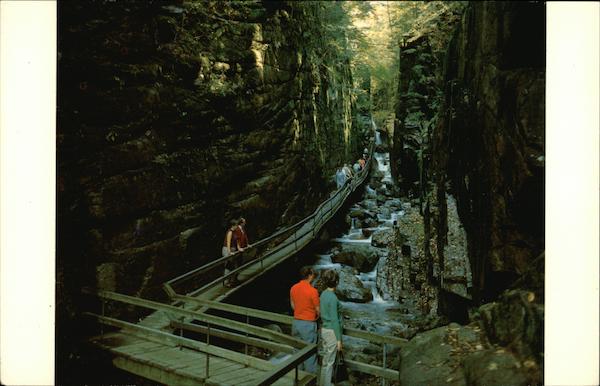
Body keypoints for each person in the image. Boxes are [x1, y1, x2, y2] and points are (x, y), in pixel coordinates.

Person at [290, 266, 320, 373]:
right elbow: (318, 310)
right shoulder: (313, 291)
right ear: (310, 276)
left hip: (296, 323)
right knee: (310, 356)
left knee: (297, 352)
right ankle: (310, 381)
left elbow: (293, 306)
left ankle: (297, 380)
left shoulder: (293, 288)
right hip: (308, 324)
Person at [319, 269, 343, 386]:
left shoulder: (323, 294)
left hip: (324, 329)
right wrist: (338, 340)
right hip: (331, 332)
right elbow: (334, 319)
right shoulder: (333, 298)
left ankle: (323, 383)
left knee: (325, 361)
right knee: (330, 362)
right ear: (337, 282)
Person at [222, 219, 239, 287]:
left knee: (233, 265)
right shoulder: (230, 232)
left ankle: (232, 280)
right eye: (236, 225)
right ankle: (226, 282)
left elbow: (236, 241)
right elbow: (228, 243)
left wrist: (238, 248)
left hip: (232, 249)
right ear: (233, 225)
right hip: (227, 249)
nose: (237, 226)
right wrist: (229, 252)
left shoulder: (235, 232)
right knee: (228, 266)